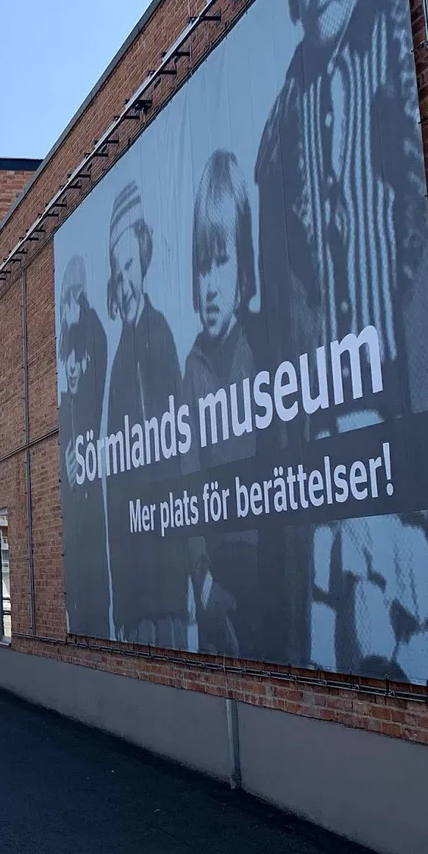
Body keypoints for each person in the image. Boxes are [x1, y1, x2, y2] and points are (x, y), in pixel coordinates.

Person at [254, 0, 428, 688]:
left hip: (402, 411)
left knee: (422, 621)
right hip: (325, 422)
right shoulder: (286, 105)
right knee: (338, 624)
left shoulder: (390, 26)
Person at [180, 150, 261, 657]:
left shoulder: (261, 348)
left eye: (221, 261)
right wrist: (205, 583)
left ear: (243, 266)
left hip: (265, 570)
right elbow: (188, 484)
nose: (209, 285)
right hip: (217, 575)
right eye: (201, 265)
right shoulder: (192, 367)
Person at [103, 180, 185, 647]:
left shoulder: (160, 336)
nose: (124, 280)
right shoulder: (119, 354)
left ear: (144, 262)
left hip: (164, 578)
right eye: (117, 270)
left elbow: (169, 450)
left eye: (129, 265)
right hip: (133, 584)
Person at [56, 253, 110, 638]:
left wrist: (81, 309)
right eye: (69, 359)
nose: (73, 367)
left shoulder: (90, 398)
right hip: (72, 550)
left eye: (80, 359)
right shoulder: (64, 405)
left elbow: (99, 345)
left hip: (92, 534)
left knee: (95, 614)